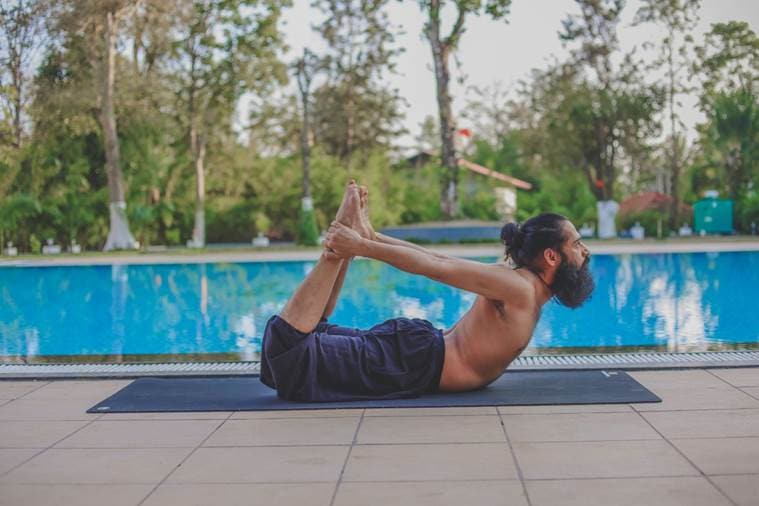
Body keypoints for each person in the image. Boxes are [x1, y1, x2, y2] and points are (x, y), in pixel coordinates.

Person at [260, 180, 594, 402]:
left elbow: (439, 258)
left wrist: (370, 239)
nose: (586, 253)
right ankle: (337, 250)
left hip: (416, 352)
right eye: (577, 245)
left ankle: (348, 238)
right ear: (552, 257)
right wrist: (362, 246)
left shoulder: (520, 285)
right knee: (291, 357)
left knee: (305, 340)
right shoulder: (520, 289)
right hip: (411, 362)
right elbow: (435, 266)